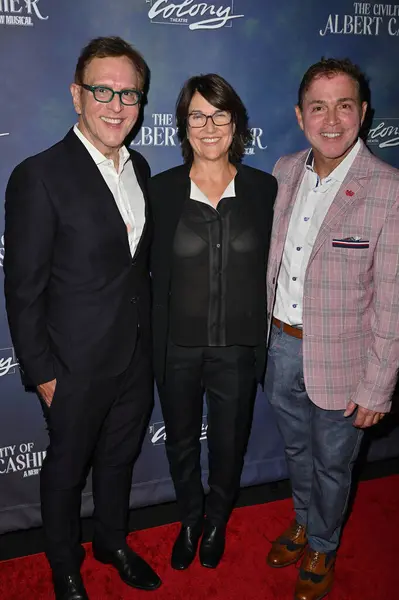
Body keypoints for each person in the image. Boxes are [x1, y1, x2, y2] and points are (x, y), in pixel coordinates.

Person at [4, 36, 161, 600]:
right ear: (77, 95)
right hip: (71, 366)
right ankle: (64, 565)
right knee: (66, 473)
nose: (116, 105)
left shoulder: (141, 168)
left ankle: (112, 543)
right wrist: (42, 372)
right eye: (103, 90)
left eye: (129, 94)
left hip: (135, 357)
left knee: (119, 460)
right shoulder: (38, 175)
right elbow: (22, 289)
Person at [265, 57, 399, 600]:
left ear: (362, 113)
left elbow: (392, 300)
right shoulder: (283, 169)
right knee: (297, 454)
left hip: (346, 362)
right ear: (301, 116)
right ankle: (302, 520)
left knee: (333, 465)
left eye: (344, 105)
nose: (331, 119)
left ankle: (321, 541)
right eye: (318, 107)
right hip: (279, 348)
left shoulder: (388, 190)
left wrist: (377, 386)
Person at [149, 73, 277, 570]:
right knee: (180, 442)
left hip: (238, 349)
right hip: (176, 348)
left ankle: (218, 518)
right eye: (197, 115)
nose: (208, 126)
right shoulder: (159, 191)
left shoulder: (265, 190)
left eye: (219, 115)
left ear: (235, 123)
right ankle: (189, 518)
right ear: (183, 124)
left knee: (229, 442)